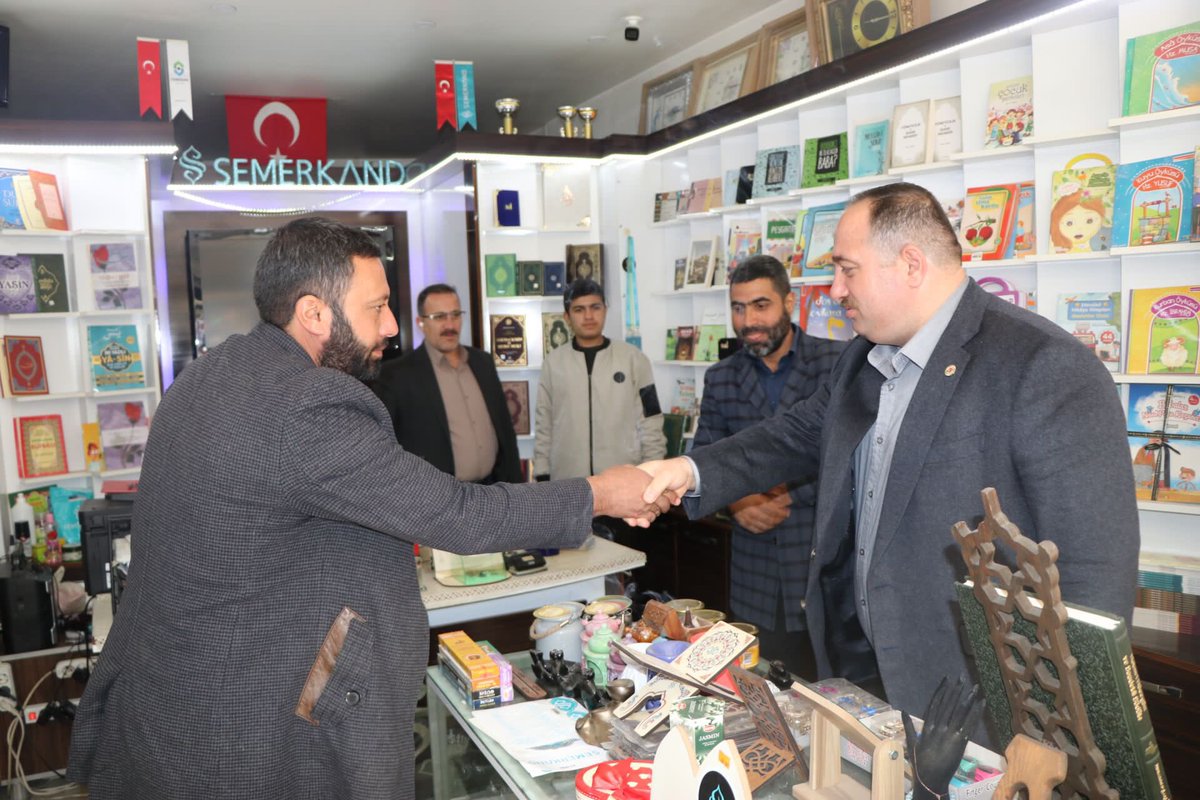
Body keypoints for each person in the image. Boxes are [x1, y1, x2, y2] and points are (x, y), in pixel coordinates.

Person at [67, 217, 669, 800]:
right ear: (313, 313)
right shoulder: (307, 403)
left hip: (169, 707)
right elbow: (458, 515)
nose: (390, 326)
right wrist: (599, 492)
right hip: (245, 730)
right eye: (375, 307)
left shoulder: (209, 376)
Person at [638, 182, 1138, 727]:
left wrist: (1062, 727)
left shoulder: (1044, 366)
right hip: (864, 675)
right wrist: (685, 470)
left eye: (847, 269)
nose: (834, 289)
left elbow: (1094, 576)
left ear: (911, 264)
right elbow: (790, 436)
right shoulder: (863, 360)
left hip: (979, 703)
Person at [693, 254, 844, 679]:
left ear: (788, 303)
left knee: (829, 693)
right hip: (754, 572)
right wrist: (739, 502)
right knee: (761, 691)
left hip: (821, 565)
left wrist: (782, 495)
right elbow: (705, 457)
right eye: (738, 308)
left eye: (761, 305)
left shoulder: (837, 363)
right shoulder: (721, 377)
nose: (748, 320)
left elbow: (849, 458)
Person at [371, 284, 521, 484]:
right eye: (439, 317)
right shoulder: (396, 375)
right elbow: (385, 447)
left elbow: (505, 431)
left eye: (455, 315)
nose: (450, 325)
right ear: (420, 323)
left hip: (492, 490)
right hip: (437, 500)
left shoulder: (482, 362)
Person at [535, 278, 666, 480]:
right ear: (567, 317)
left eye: (595, 307)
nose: (588, 316)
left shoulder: (634, 359)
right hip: (568, 481)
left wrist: (651, 470)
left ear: (605, 309)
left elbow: (652, 419)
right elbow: (544, 423)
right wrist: (542, 472)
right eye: (579, 310)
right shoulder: (553, 364)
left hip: (624, 480)